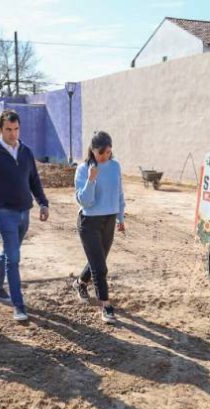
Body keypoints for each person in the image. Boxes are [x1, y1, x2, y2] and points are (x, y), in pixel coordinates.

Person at [0, 109, 49, 321]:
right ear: (0, 129)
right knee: (13, 258)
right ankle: (18, 305)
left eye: (16, 129)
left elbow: (34, 180)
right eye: (8, 130)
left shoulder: (25, 151)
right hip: (3, 212)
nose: (13, 134)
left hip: (25, 211)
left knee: (9, 252)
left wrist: (43, 203)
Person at [72, 131, 126, 324]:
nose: (104, 157)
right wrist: (91, 179)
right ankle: (106, 306)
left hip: (109, 220)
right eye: (101, 153)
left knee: (98, 260)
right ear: (92, 150)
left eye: (108, 152)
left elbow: (119, 192)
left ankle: (79, 283)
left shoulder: (115, 166)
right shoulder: (83, 169)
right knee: (100, 267)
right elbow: (85, 201)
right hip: (89, 222)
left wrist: (120, 217)